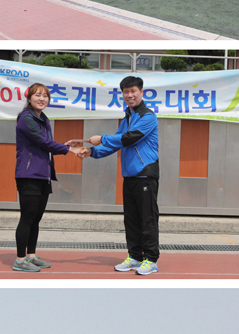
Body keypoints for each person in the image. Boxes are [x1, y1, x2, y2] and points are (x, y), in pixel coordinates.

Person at [71, 75, 160, 275]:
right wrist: (91, 151)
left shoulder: (148, 117)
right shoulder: (127, 118)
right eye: (126, 92)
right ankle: (135, 257)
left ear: (141, 92)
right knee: (131, 220)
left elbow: (129, 138)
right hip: (129, 176)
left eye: (133, 91)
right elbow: (116, 143)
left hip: (146, 175)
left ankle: (151, 260)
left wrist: (102, 138)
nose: (129, 95)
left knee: (147, 219)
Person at [12, 83, 73, 273]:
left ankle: (31, 255)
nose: (42, 99)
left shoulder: (43, 118)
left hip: (43, 175)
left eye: (45, 96)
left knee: (36, 218)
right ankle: (20, 259)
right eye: (37, 95)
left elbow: (45, 144)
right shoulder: (26, 118)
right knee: (27, 217)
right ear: (29, 98)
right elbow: (43, 142)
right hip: (28, 174)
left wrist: (63, 145)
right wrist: (68, 149)